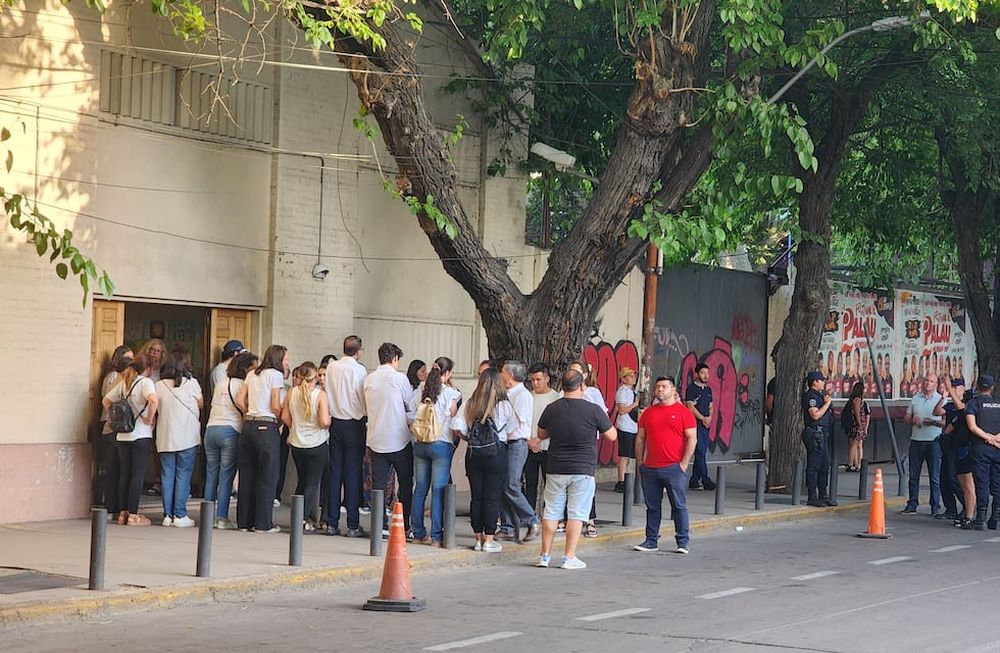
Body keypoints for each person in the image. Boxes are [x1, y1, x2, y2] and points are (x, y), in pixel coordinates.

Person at [529, 369, 616, 569]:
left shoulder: (552, 408)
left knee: (550, 511)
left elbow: (541, 433)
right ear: (582, 386)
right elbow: (612, 435)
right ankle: (569, 556)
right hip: (583, 469)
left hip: (556, 466)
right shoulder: (593, 410)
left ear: (563, 387)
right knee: (576, 513)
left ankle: (544, 555)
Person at [632, 375, 697, 553]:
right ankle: (651, 540)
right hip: (650, 467)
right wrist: (640, 463)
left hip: (674, 468)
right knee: (652, 507)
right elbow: (640, 439)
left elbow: (692, 439)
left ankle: (682, 541)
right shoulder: (648, 413)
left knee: (678, 505)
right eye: (658, 386)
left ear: (673, 390)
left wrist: (684, 464)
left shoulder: (684, 413)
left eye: (664, 386)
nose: (660, 389)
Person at [452, 368, 512, 553]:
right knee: (492, 497)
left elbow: (456, 427)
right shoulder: (504, 406)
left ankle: (478, 539)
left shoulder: (470, 404)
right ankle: (489, 539)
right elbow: (511, 430)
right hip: (496, 454)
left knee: (476, 497)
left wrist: (470, 439)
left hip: (474, 454)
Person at [235, 344, 288, 533]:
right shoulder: (275, 375)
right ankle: (263, 523)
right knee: (267, 475)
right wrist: (281, 419)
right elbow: (275, 403)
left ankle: (244, 522)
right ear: (278, 359)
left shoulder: (252, 374)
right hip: (267, 425)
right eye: (285, 359)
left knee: (247, 475)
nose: (287, 362)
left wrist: (248, 412)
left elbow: (241, 399)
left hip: (248, 425)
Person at [408, 357, 460, 545]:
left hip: (420, 444)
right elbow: (454, 423)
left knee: (420, 488)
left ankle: (418, 532)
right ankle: (436, 536)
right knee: (438, 490)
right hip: (441, 444)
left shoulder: (420, 390)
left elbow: (410, 414)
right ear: (447, 374)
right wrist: (452, 443)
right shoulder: (450, 394)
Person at [365, 342, 415, 535]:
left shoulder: (369, 379)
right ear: (394, 358)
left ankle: (380, 525)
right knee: (405, 482)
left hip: (376, 439)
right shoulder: (398, 378)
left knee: (378, 485)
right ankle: (405, 522)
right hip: (398, 439)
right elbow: (410, 403)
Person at [102, 354, 158, 526]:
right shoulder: (145, 382)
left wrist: (114, 419)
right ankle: (133, 514)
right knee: (137, 475)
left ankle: (122, 513)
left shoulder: (125, 382)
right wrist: (149, 418)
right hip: (140, 434)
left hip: (123, 435)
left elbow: (106, 401)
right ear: (148, 369)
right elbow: (153, 400)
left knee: (125, 474)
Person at [205, 351, 256, 529]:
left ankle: (207, 516)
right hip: (230, 430)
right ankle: (221, 517)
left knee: (211, 474)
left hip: (211, 429)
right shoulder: (242, 385)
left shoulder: (221, 383)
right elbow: (244, 405)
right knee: (226, 476)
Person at [154, 349, 203, 527]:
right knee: (183, 474)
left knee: (167, 475)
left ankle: (167, 515)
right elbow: (201, 403)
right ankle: (180, 514)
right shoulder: (192, 383)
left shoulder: (159, 385)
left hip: (165, 436)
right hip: (187, 436)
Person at [325, 336, 369, 537]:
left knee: (335, 472)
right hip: (354, 423)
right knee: (352, 473)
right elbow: (362, 397)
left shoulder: (332, 367)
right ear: (358, 351)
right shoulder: (359, 370)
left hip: (335, 423)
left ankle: (331, 522)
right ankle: (352, 524)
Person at [282, 362, 331, 532]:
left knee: (302, 480)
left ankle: (298, 516)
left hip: (296, 443)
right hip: (316, 443)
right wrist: (328, 421)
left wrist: (296, 428)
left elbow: (285, 417)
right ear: (315, 377)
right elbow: (324, 422)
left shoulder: (291, 392)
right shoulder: (320, 395)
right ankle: (301, 518)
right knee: (312, 482)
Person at [496, 361, 540, 542]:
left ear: (510, 376)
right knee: (501, 484)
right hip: (504, 443)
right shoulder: (505, 394)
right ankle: (507, 527)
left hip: (516, 443)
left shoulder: (522, 395)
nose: (501, 376)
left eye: (503, 373)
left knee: (512, 484)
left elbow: (517, 422)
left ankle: (532, 520)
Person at [567, 359, 605, 537]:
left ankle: (590, 519)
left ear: (585, 375)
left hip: (587, 442)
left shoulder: (592, 392)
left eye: (577, 371)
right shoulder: (564, 392)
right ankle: (568, 519)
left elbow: (602, 417)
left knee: (587, 481)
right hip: (566, 442)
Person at [97, 345, 133, 518]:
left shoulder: (117, 376)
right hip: (112, 425)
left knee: (115, 468)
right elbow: (109, 399)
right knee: (115, 468)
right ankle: (113, 506)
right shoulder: (115, 377)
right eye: (128, 358)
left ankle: (112, 506)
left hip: (111, 425)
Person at [901, 372, 944, 515]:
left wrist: (933, 422)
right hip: (916, 440)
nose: (928, 383)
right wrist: (912, 419)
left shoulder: (941, 400)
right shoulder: (915, 398)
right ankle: (912, 503)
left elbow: (947, 422)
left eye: (932, 381)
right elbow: (906, 417)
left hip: (934, 441)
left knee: (934, 476)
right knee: (913, 475)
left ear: (936, 384)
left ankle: (935, 505)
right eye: (926, 380)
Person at [965, 375, 1000, 530]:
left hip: (980, 448)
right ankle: (995, 518)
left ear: (977, 386)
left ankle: (981, 519)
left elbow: (972, 427)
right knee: (997, 484)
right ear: (992, 387)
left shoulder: (973, 403)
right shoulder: (998, 404)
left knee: (981, 484)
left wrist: (987, 438)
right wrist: (995, 439)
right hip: (998, 448)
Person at [524, 363, 560, 513]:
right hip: (528, 446)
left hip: (548, 447)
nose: (535, 383)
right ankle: (529, 513)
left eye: (538, 379)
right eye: (532, 380)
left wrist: (538, 439)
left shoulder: (556, 398)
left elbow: (556, 424)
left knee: (549, 483)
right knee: (529, 483)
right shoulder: (527, 396)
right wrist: (529, 440)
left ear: (547, 379)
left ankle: (548, 514)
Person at [938, 376, 969, 523]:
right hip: (948, 446)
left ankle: (967, 505)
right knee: (944, 478)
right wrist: (944, 396)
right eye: (953, 387)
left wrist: (949, 388)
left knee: (953, 478)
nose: (954, 390)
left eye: (957, 388)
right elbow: (937, 412)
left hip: (960, 448)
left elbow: (960, 408)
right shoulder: (950, 406)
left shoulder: (965, 405)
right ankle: (950, 509)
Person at [801, 371, 833, 507]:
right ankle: (812, 496)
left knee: (824, 465)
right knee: (814, 465)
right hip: (815, 433)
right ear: (814, 382)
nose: (823, 383)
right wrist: (826, 404)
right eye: (821, 380)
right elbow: (815, 415)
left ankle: (823, 495)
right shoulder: (811, 396)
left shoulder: (820, 396)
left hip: (822, 433)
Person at [684, 363, 717, 491]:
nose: (706, 376)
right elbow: (690, 406)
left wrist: (709, 418)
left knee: (701, 451)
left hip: (705, 425)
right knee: (700, 451)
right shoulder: (692, 388)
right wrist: (702, 418)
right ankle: (705, 479)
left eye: (707, 373)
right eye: (703, 373)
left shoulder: (708, 390)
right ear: (696, 374)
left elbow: (711, 406)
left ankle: (694, 479)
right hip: (695, 424)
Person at [614, 367, 640, 493]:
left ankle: (629, 479)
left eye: (633, 375)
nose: (633, 378)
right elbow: (622, 410)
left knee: (631, 455)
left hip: (633, 426)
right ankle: (621, 481)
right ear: (623, 379)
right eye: (630, 376)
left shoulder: (632, 391)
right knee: (624, 455)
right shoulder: (622, 392)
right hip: (625, 426)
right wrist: (635, 404)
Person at [844, 382, 870, 472]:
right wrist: (860, 424)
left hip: (854, 425)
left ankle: (855, 463)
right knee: (856, 445)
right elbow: (857, 413)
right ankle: (853, 463)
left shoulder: (853, 399)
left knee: (855, 445)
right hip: (856, 425)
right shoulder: (858, 400)